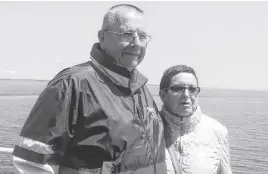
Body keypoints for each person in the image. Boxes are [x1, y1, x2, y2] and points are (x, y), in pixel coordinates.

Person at [12, 4, 167, 174]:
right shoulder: (72, 84)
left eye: (142, 36)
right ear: (102, 37)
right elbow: (30, 161)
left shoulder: (141, 90)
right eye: (127, 34)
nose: (137, 43)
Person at [158, 65, 232, 174]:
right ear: (163, 95)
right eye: (178, 88)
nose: (186, 95)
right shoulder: (148, 127)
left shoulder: (217, 131)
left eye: (192, 89)